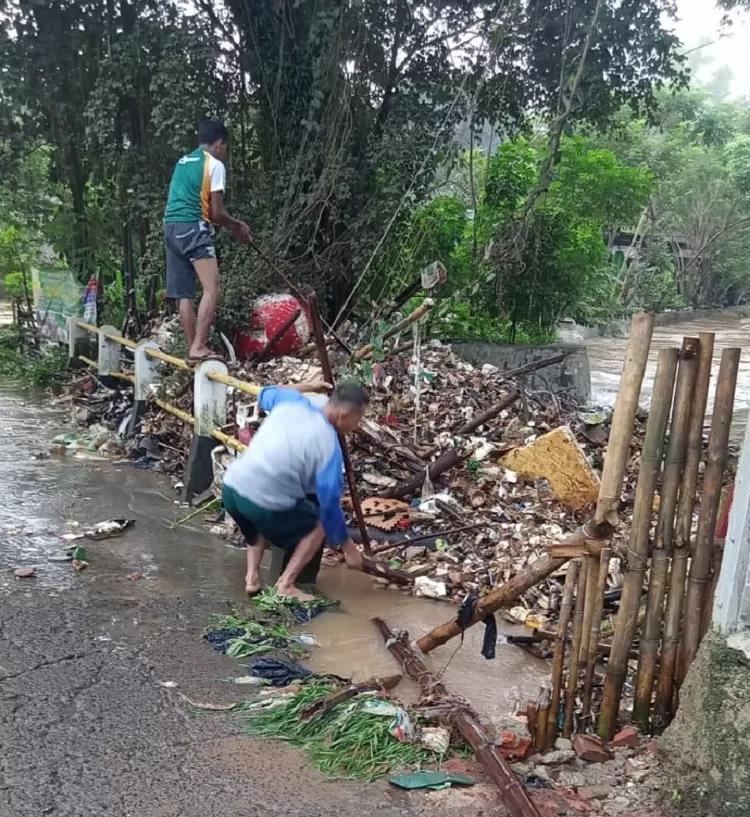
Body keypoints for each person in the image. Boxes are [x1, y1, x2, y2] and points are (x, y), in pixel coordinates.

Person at [222, 381, 368, 601]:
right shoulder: (329, 446)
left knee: (255, 526)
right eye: (359, 418)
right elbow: (329, 505)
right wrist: (348, 548)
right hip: (261, 501)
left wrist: (308, 385)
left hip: (232, 489)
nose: (358, 425)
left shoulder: (291, 400)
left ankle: (252, 578)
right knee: (319, 524)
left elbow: (265, 393)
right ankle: (286, 584)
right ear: (345, 414)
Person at [163, 120, 251, 362]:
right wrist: (238, 226)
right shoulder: (214, 165)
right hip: (194, 227)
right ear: (219, 144)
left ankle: (193, 348)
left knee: (185, 294)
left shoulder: (182, 162)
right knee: (212, 288)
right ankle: (199, 346)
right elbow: (216, 213)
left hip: (171, 228)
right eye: (225, 147)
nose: (225, 152)